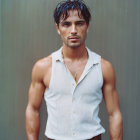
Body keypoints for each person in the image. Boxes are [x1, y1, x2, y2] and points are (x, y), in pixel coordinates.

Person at [25, 0, 123, 140]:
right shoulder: (43, 67)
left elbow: (114, 114)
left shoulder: (103, 67)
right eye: (66, 24)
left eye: (79, 23)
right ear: (58, 28)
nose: (73, 30)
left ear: (87, 26)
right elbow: (32, 110)